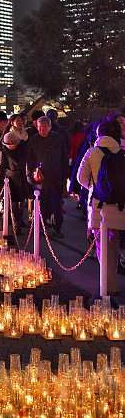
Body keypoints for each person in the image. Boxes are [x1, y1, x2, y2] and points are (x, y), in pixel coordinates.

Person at [77, 118, 125, 302]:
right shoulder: (121, 151)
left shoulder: (93, 152)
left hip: (100, 207)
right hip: (120, 207)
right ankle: (110, 284)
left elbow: (82, 178)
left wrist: (95, 187)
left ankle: (108, 289)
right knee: (113, 246)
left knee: (102, 248)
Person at [26, 115, 69, 239]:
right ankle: (41, 227)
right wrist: (30, 176)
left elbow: (64, 159)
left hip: (56, 177)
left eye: (44, 127)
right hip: (40, 178)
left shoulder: (58, 139)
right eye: (39, 127)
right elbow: (29, 160)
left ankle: (57, 228)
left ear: (50, 126)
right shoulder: (33, 140)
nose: (42, 130)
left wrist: (65, 176)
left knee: (57, 206)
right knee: (41, 205)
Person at [0, 131, 28, 244]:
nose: (11, 146)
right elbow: (1, 166)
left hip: (24, 177)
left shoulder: (24, 148)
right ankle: (16, 224)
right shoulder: (4, 151)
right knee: (13, 202)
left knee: (22, 201)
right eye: (9, 144)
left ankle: (20, 220)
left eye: (13, 143)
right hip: (11, 179)